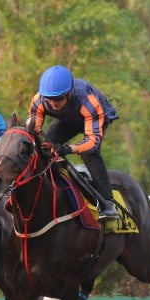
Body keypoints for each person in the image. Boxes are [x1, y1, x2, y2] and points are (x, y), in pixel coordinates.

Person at [27, 65, 119, 220]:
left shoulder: (88, 102)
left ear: (69, 93)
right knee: (43, 148)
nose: (53, 103)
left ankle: (108, 203)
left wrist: (68, 149)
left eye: (58, 98)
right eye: (49, 99)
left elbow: (92, 141)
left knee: (88, 153)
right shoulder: (39, 100)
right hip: (68, 118)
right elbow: (33, 131)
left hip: (93, 118)